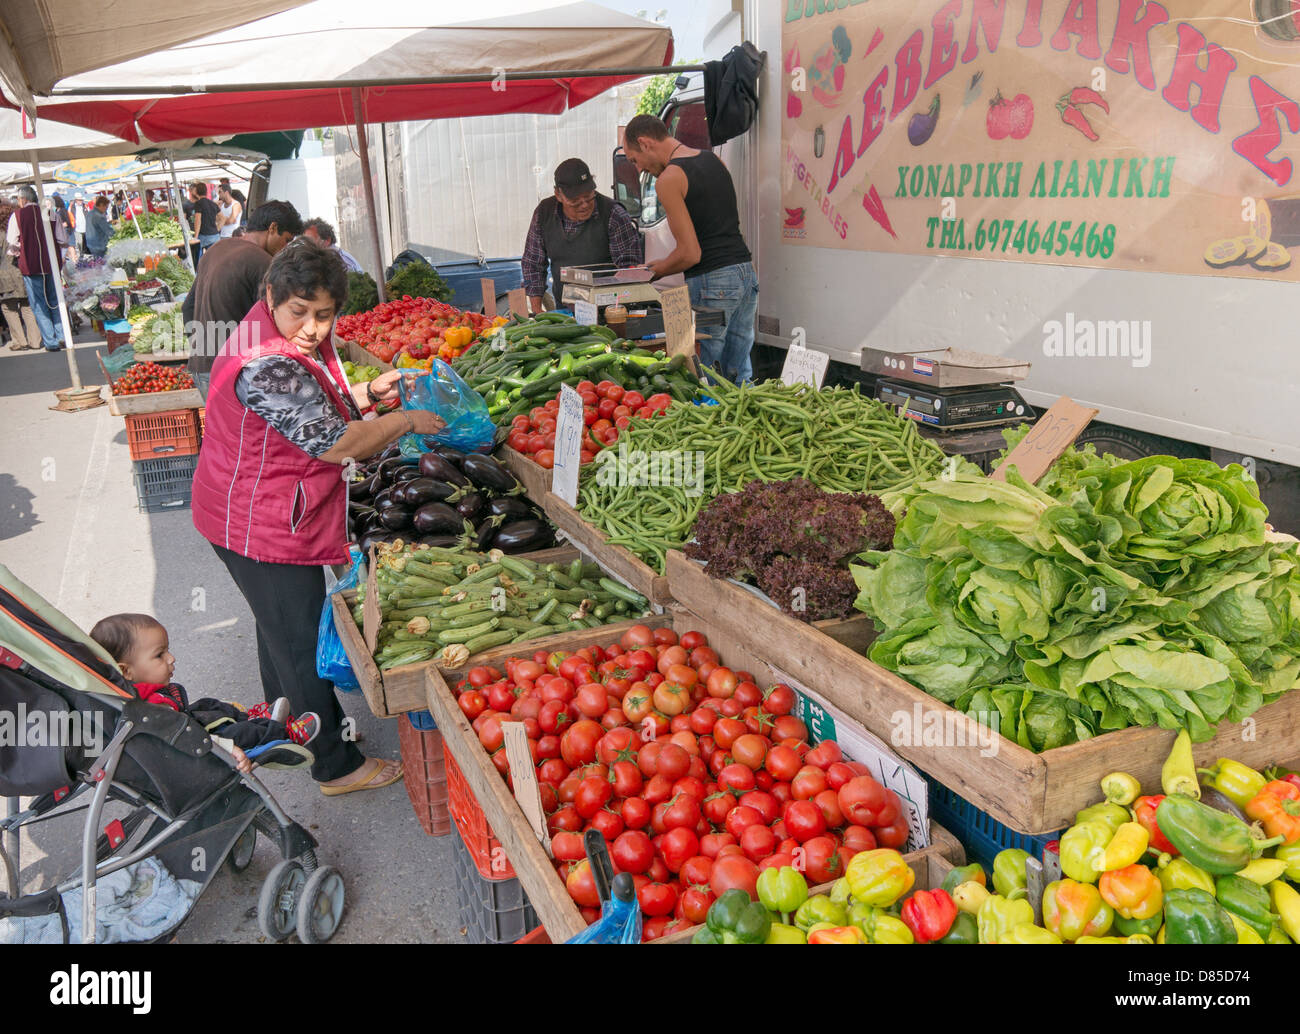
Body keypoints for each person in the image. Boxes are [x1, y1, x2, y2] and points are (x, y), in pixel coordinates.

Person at [191, 240, 445, 795]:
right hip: (259, 522)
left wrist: (369, 394)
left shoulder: (270, 335)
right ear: (271, 296)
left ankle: (281, 720)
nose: (311, 327)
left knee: (279, 625)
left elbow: (314, 406)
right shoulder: (266, 364)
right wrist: (404, 420)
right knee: (300, 639)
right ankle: (334, 764)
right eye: (299, 311)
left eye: (324, 315)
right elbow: (334, 444)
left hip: (247, 509)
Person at [89, 613, 321, 774]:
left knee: (209, 705)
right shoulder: (152, 709)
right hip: (198, 747)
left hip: (188, 725)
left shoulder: (141, 696)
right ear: (126, 671)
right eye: (160, 655)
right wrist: (228, 749)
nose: (171, 658)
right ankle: (283, 733)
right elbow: (181, 740)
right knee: (239, 733)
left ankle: (258, 720)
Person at [623, 114, 758, 384]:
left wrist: (655, 270)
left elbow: (690, 253)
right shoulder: (714, 160)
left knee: (708, 375)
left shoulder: (669, 179)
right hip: (745, 273)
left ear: (645, 143)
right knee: (739, 373)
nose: (639, 169)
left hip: (712, 279)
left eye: (634, 160)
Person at [184, 199, 303, 394]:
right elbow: (275, 324)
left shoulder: (215, 249)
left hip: (201, 368)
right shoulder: (263, 262)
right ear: (273, 228)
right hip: (235, 373)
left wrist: (202, 350)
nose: (285, 248)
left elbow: (187, 308)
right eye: (287, 240)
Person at [522, 157, 643, 315]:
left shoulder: (614, 214)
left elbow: (629, 268)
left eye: (588, 197)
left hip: (610, 309)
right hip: (565, 307)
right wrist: (537, 309)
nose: (585, 205)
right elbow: (533, 263)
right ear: (558, 195)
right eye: (575, 201)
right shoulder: (543, 213)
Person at [12, 186, 65, 352]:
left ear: (23, 199)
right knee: (55, 301)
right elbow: (62, 239)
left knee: (39, 304)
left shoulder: (18, 216)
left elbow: (12, 243)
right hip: (52, 265)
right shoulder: (50, 213)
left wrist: (20, 247)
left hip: (30, 266)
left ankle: (51, 341)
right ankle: (62, 336)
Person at [0, 200, 40, 352]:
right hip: (22, 271)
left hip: (4, 275)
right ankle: (35, 341)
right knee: (27, 306)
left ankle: (20, 341)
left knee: (9, 308)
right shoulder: (18, 229)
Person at [190, 182, 221, 262]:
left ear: (196, 192)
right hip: (215, 236)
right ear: (206, 191)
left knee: (199, 261)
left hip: (203, 236)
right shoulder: (213, 203)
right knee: (215, 261)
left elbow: (198, 220)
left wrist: (195, 237)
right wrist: (217, 229)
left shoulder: (198, 204)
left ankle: (199, 274)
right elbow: (223, 218)